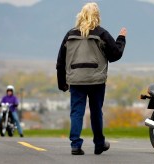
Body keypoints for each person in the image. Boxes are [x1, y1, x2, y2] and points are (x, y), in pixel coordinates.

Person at [56, 2, 127, 155]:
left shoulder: (70, 35)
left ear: (81, 15)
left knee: (76, 112)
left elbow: (61, 61)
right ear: (97, 16)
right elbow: (115, 55)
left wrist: (62, 83)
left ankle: (75, 144)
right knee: (96, 112)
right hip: (96, 80)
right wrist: (121, 39)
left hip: (76, 79)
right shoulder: (101, 33)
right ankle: (99, 144)